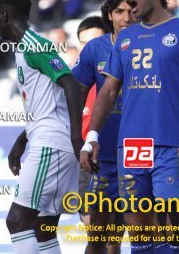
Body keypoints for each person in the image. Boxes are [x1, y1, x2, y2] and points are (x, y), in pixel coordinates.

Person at [81, 0, 179, 253]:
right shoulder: (127, 38)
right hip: (131, 147)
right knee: (140, 236)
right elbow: (108, 92)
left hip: (172, 146)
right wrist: (91, 137)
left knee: (173, 230)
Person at [0, 0, 84, 254]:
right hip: (47, 140)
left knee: (17, 221)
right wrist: (22, 140)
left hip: (52, 144)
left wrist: (76, 137)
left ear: (5, 15)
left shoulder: (34, 45)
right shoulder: (26, 47)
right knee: (42, 229)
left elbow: (71, 84)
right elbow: (48, 102)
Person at [73, 0, 134, 253]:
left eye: (131, 10)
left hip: (139, 154)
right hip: (103, 154)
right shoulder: (95, 49)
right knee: (99, 238)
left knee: (133, 236)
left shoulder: (150, 43)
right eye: (119, 11)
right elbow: (74, 95)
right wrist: (81, 140)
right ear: (109, 15)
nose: (126, 17)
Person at [74, 16, 108, 230]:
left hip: (119, 157)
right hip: (87, 160)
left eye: (95, 42)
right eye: (85, 44)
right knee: (92, 226)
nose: (90, 49)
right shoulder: (73, 81)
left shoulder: (122, 76)